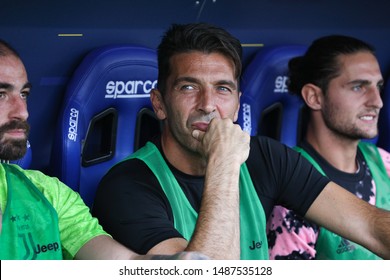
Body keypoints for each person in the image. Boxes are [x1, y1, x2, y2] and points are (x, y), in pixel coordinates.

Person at [92, 23, 390, 260]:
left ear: (237, 105)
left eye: (222, 89)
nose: (208, 105)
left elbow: (369, 226)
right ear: (159, 103)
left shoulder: (265, 157)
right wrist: (222, 160)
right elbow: (204, 272)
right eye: (188, 87)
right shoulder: (127, 184)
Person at [0, 38, 208, 261]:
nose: (22, 112)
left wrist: (174, 265)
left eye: (24, 94)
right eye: (1, 94)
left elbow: (122, 262)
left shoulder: (47, 193)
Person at [266, 35, 390, 260]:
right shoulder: (291, 188)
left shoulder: (385, 163)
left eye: (378, 86)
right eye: (358, 87)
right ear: (314, 97)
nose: (377, 101)